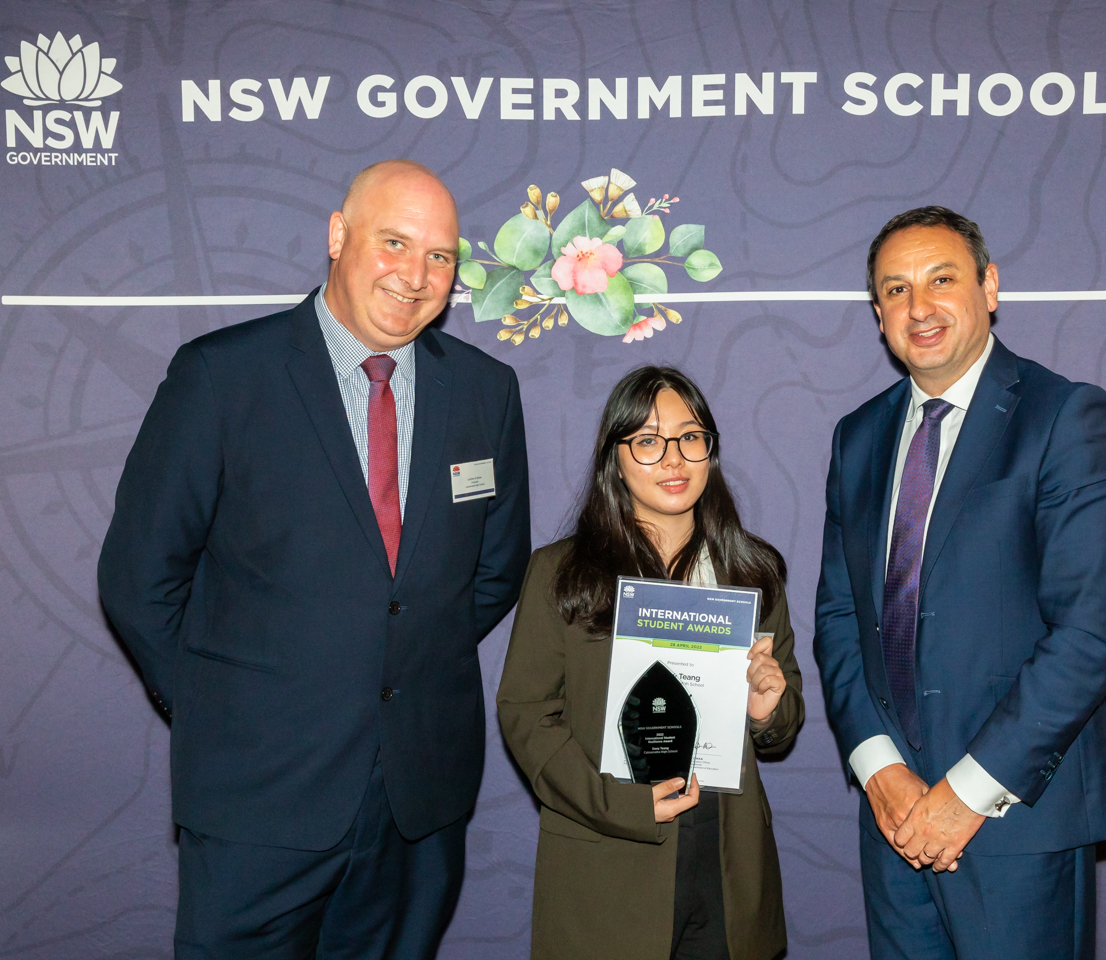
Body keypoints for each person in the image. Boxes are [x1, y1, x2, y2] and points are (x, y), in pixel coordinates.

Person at [98, 160, 531, 958]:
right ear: (339, 235)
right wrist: (221, 708)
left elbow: (496, 568)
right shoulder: (221, 376)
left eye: (440, 256)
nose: (416, 274)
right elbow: (139, 575)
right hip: (257, 792)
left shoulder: (485, 391)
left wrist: (395, 662)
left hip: (416, 796)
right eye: (394, 242)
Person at [813, 206, 1106, 959]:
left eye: (941, 280)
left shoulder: (1063, 417)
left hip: (1017, 820)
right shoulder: (857, 437)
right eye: (895, 290)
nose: (919, 307)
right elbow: (837, 617)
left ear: (989, 287)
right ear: (878, 313)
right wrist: (879, 769)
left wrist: (962, 795)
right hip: (892, 823)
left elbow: (1090, 637)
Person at [497, 366, 803, 960]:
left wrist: (768, 709)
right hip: (606, 857)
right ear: (616, 458)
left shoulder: (751, 571)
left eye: (691, 438)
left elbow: (782, 716)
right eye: (648, 441)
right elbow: (526, 714)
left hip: (725, 860)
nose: (674, 459)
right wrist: (621, 805)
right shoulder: (560, 573)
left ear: (710, 453)